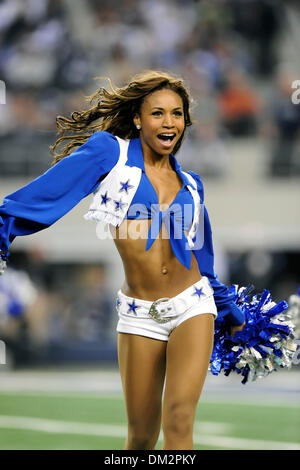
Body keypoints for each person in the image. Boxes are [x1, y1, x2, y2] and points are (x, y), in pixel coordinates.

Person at [0, 70, 245, 450]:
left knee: (179, 424)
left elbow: (202, 255)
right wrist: (5, 223)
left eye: (177, 114)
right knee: (141, 438)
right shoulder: (109, 153)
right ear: (137, 118)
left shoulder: (193, 184)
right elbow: (50, 191)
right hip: (139, 313)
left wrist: (227, 308)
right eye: (158, 113)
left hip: (193, 305)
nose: (169, 122)